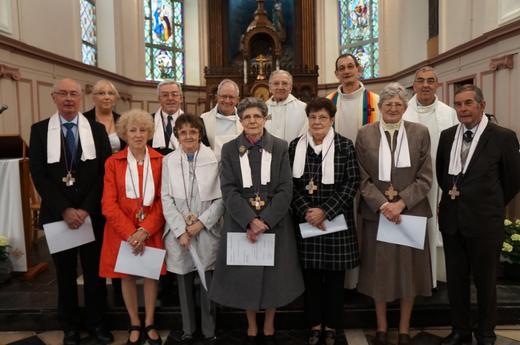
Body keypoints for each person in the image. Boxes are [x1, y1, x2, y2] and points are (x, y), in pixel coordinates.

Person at [209, 97, 304, 345]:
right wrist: (250, 220)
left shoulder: (281, 147)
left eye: (257, 116)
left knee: (274, 275)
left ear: (265, 118)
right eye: (247, 117)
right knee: (246, 274)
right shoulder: (230, 149)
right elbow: (228, 189)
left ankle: (270, 323)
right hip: (241, 222)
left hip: (275, 220)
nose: (252, 121)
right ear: (240, 121)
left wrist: (266, 220)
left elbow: (286, 188)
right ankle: (251, 325)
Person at [29, 78, 113, 345]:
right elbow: (39, 175)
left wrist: (85, 209)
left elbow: (103, 174)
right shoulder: (40, 130)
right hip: (58, 215)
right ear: (53, 97)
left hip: (90, 215)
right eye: (63, 94)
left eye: (74, 94)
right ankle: (69, 327)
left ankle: (97, 322)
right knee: (64, 275)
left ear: (81, 98)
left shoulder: (97, 130)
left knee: (94, 274)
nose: (68, 98)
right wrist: (65, 209)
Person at [436, 85, 520, 345]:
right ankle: (460, 329)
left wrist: (488, 204)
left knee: (485, 282)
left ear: (481, 106)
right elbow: (442, 175)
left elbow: (513, 180)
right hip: (452, 221)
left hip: (484, 222)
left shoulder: (503, 137)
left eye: (468, 103)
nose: (463, 109)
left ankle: (485, 332)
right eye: (459, 104)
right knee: (456, 282)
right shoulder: (447, 135)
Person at [356, 83, 433, 345]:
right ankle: (381, 326)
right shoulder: (365, 134)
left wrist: (401, 203)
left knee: (408, 273)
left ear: (405, 107)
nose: (392, 107)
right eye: (387, 103)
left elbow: (425, 177)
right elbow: (361, 177)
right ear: (379, 107)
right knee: (379, 272)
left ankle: (403, 328)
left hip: (409, 213)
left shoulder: (420, 133)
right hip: (377, 214)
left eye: (398, 104)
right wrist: (383, 204)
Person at [288, 97, 360, 345]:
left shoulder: (345, 146)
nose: (317, 121)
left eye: (322, 117)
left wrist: (325, 211)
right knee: (311, 279)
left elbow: (352, 183)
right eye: (313, 117)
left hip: (335, 224)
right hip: (306, 222)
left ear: (331, 120)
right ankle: (314, 324)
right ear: (307, 119)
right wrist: (308, 211)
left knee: (334, 281)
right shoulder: (295, 146)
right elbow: (289, 186)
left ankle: (332, 325)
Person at [99, 109, 165, 345]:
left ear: (150, 132)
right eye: (133, 130)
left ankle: (149, 321)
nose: (138, 135)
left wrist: (144, 229)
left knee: (149, 276)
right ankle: (134, 322)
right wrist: (130, 233)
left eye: (143, 130)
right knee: (125, 276)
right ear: (124, 133)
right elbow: (108, 204)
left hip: (151, 229)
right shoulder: (113, 163)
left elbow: (162, 200)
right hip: (121, 231)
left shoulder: (160, 161)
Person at [162, 114, 224, 345]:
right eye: (183, 131)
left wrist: (201, 223)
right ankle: (188, 329)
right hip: (180, 235)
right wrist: (180, 230)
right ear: (177, 135)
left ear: (200, 134)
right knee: (184, 280)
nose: (188, 135)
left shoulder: (213, 158)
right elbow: (165, 198)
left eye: (193, 131)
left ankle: (209, 330)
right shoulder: (169, 161)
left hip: (206, 230)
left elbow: (221, 199)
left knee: (207, 282)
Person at [402, 66, 458, 288]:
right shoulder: (402, 111)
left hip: (438, 182)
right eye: (421, 80)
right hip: (409, 182)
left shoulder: (448, 113)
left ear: (437, 84)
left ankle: (433, 279)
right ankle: (411, 281)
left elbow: (454, 152)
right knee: (410, 229)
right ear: (414, 85)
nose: (425, 85)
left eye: (430, 80)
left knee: (434, 228)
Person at [327, 53, 380, 142]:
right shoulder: (328, 102)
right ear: (337, 74)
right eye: (342, 68)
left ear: (359, 70)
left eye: (350, 66)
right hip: (338, 155)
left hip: (366, 154)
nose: (346, 71)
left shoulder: (376, 101)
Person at [200, 79, 242, 159]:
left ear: (237, 100)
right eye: (224, 96)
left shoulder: (245, 120)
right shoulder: (204, 119)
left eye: (231, 97)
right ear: (217, 97)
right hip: (212, 167)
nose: (227, 100)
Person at [84, 79, 126, 153]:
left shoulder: (123, 120)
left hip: (119, 164)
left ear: (115, 98)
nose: (107, 97)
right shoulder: (84, 119)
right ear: (94, 98)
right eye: (101, 93)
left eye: (110, 93)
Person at [265, 70, 307, 143]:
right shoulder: (262, 109)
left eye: (284, 83)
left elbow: (304, 135)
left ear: (290, 87)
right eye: (276, 83)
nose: (280, 87)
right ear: (270, 88)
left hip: (293, 152)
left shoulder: (303, 108)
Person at [150, 80, 184, 155]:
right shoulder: (148, 121)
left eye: (174, 94)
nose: (170, 98)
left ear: (181, 98)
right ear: (159, 99)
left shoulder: (193, 122)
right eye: (165, 95)